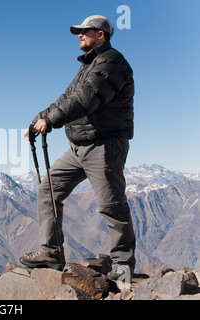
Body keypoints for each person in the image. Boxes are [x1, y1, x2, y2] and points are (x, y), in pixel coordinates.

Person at [20, 15, 136, 282]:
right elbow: (67, 98)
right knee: (48, 189)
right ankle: (51, 253)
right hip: (79, 147)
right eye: (79, 31)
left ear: (101, 35)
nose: (80, 35)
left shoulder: (112, 63)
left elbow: (85, 99)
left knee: (111, 204)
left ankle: (122, 265)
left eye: (86, 31)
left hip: (104, 145)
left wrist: (50, 121)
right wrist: (37, 119)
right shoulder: (89, 65)